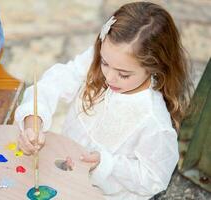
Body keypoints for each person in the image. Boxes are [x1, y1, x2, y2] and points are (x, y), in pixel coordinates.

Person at [14, 2, 193, 199]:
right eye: (105, 63)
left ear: (155, 67)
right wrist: (33, 119)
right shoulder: (101, 60)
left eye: (123, 75)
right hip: (65, 172)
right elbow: (55, 83)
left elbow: (153, 179)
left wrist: (106, 164)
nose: (109, 78)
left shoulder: (153, 121)